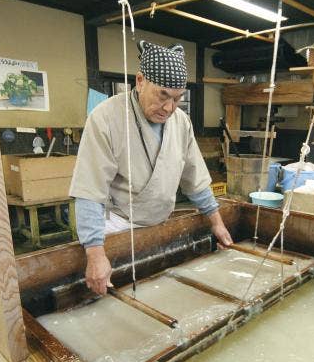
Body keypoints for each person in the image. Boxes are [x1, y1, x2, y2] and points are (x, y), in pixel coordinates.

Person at [70, 40, 233, 295]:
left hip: (159, 223)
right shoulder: (106, 118)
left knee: (156, 291)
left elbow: (195, 178)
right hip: (118, 224)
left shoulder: (181, 122)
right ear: (140, 80)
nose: (169, 108)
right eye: (163, 95)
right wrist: (94, 252)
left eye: (178, 99)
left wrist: (217, 222)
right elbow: (90, 190)